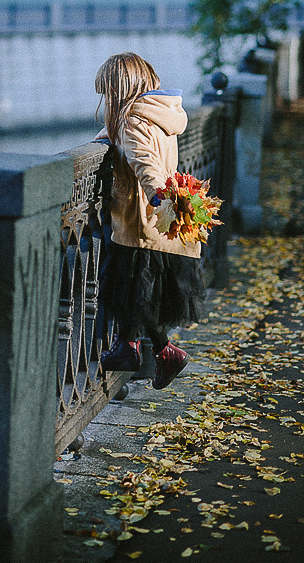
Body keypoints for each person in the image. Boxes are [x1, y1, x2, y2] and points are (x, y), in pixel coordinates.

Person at [94, 52, 206, 389]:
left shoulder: (131, 120)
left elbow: (145, 162)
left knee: (133, 289)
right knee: (138, 292)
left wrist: (158, 196)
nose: (105, 99)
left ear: (120, 88)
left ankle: (153, 350)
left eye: (107, 92)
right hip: (156, 221)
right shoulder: (158, 115)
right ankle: (137, 349)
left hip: (141, 219)